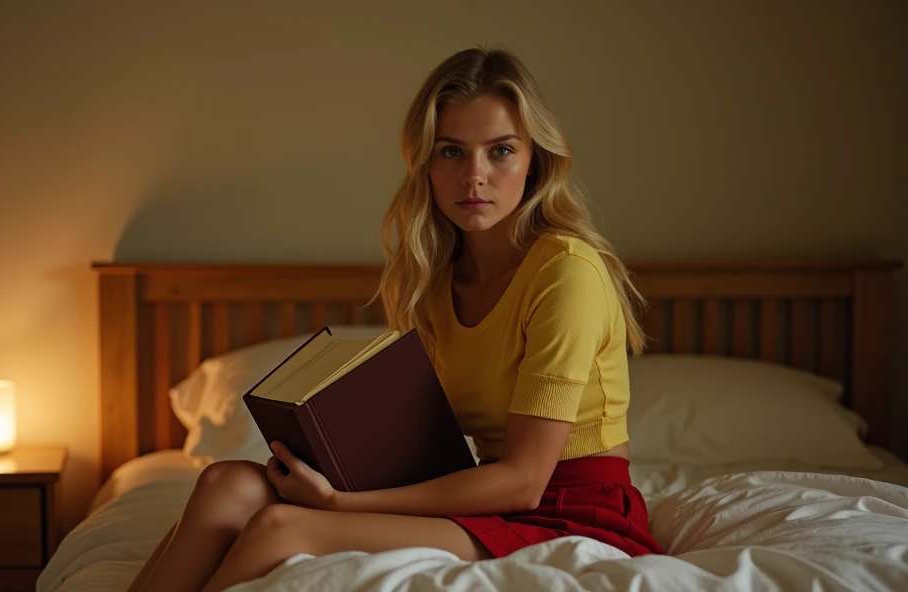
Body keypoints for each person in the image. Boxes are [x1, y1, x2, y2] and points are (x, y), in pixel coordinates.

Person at [127, 46, 663, 592]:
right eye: (451, 152)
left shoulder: (566, 271)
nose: (475, 176)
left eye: (500, 151)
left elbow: (524, 483)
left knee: (279, 528)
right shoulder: (434, 280)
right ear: (426, 165)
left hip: (571, 512)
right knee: (225, 484)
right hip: (481, 491)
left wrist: (340, 504)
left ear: (535, 163)